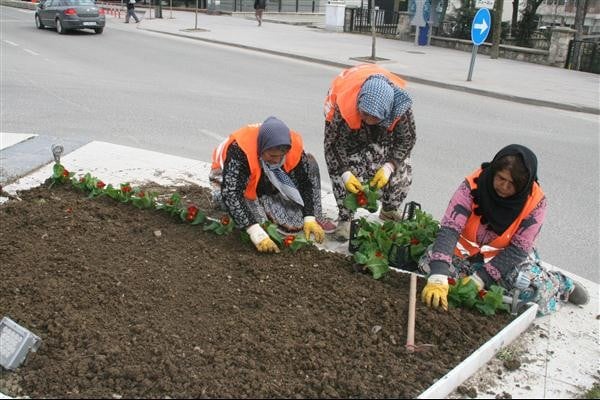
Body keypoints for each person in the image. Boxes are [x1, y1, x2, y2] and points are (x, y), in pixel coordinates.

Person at [420, 144, 589, 316]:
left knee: (528, 291)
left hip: (506, 260)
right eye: (501, 178)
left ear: (524, 185)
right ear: (493, 171)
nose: (504, 187)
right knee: (429, 265)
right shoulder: (472, 186)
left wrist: (480, 279)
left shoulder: (536, 202)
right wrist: (439, 274)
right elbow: (450, 229)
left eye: (513, 184)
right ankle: (486, 286)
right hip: (467, 255)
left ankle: (562, 285)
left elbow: (518, 250)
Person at [209, 116, 336, 253]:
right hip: (227, 179)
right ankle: (258, 208)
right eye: (272, 156)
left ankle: (311, 217)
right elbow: (231, 193)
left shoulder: (291, 146)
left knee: (309, 164)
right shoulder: (240, 150)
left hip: (264, 176)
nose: (277, 160)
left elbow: (305, 183)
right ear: (262, 148)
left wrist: (309, 217)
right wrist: (255, 231)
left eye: (281, 156)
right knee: (260, 224)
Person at [323, 64, 417, 241]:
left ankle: (388, 210)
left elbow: (407, 139)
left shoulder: (399, 108)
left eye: (375, 117)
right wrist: (345, 173)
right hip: (350, 139)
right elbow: (333, 145)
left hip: (384, 137)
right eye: (365, 114)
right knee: (342, 170)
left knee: (401, 171)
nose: (369, 120)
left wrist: (389, 167)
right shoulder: (343, 108)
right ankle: (345, 218)